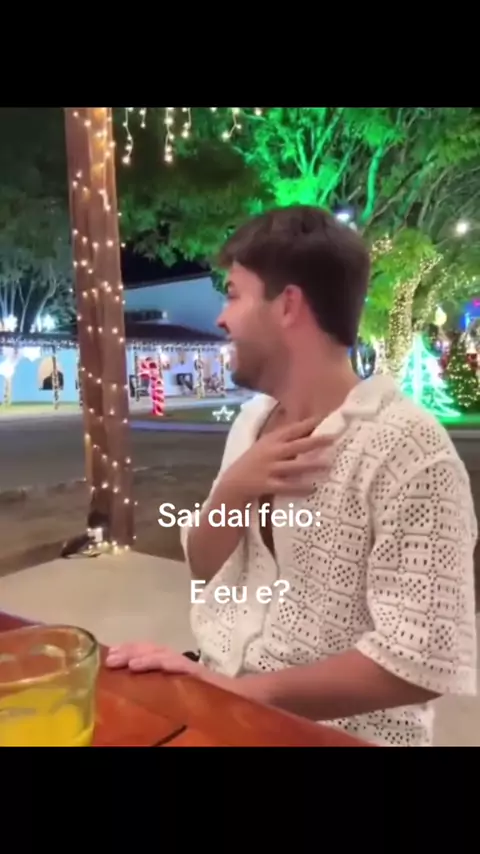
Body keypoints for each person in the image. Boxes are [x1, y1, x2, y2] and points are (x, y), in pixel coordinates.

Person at [107, 205, 478, 747]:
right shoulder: (251, 422)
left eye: (233, 295)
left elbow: (422, 660)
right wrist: (236, 488)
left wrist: (238, 694)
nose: (221, 319)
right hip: (222, 701)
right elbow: (204, 566)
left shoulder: (409, 451)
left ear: (288, 306)